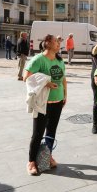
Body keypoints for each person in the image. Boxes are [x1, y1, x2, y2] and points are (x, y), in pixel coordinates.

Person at [23, 34, 67, 175]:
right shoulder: (38, 59)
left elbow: (64, 78)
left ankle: (46, 157)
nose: (58, 43)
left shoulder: (60, 61)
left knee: (51, 132)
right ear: (47, 43)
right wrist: (46, 82)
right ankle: (31, 162)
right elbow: (26, 77)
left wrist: (65, 95)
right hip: (43, 103)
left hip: (58, 101)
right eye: (55, 41)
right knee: (37, 133)